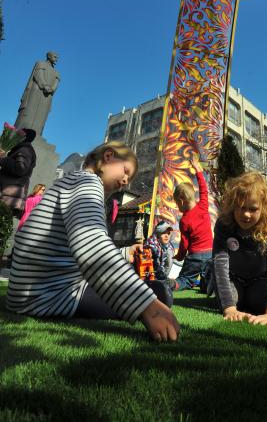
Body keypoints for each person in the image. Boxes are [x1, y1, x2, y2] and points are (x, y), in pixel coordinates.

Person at [6, 141, 180, 342]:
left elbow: (72, 246)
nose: (125, 181)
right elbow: (91, 245)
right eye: (125, 171)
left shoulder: (72, 181)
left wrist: (124, 253)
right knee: (160, 293)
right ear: (108, 156)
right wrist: (148, 307)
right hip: (50, 296)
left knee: (153, 289)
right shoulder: (88, 183)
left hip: (28, 292)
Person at [212, 171, 267, 327]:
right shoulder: (224, 225)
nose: (246, 214)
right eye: (241, 207)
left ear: (263, 209)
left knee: (259, 303)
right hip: (234, 278)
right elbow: (220, 264)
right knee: (232, 298)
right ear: (233, 205)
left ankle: (249, 299)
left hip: (259, 279)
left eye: (253, 209)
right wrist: (230, 309)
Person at [171, 157, 212, 291]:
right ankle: (207, 286)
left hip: (194, 255)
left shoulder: (184, 220)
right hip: (210, 253)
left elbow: (184, 243)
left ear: (181, 201)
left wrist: (180, 256)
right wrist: (198, 170)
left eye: (177, 204)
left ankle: (173, 284)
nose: (178, 207)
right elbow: (203, 188)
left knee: (186, 279)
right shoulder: (203, 206)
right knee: (208, 276)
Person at [0, 128, 37, 262]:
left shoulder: (24, 150)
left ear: (23, 137)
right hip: (7, 196)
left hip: (7, 197)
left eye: (17, 134)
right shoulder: (22, 149)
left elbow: (20, 168)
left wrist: (3, 159)